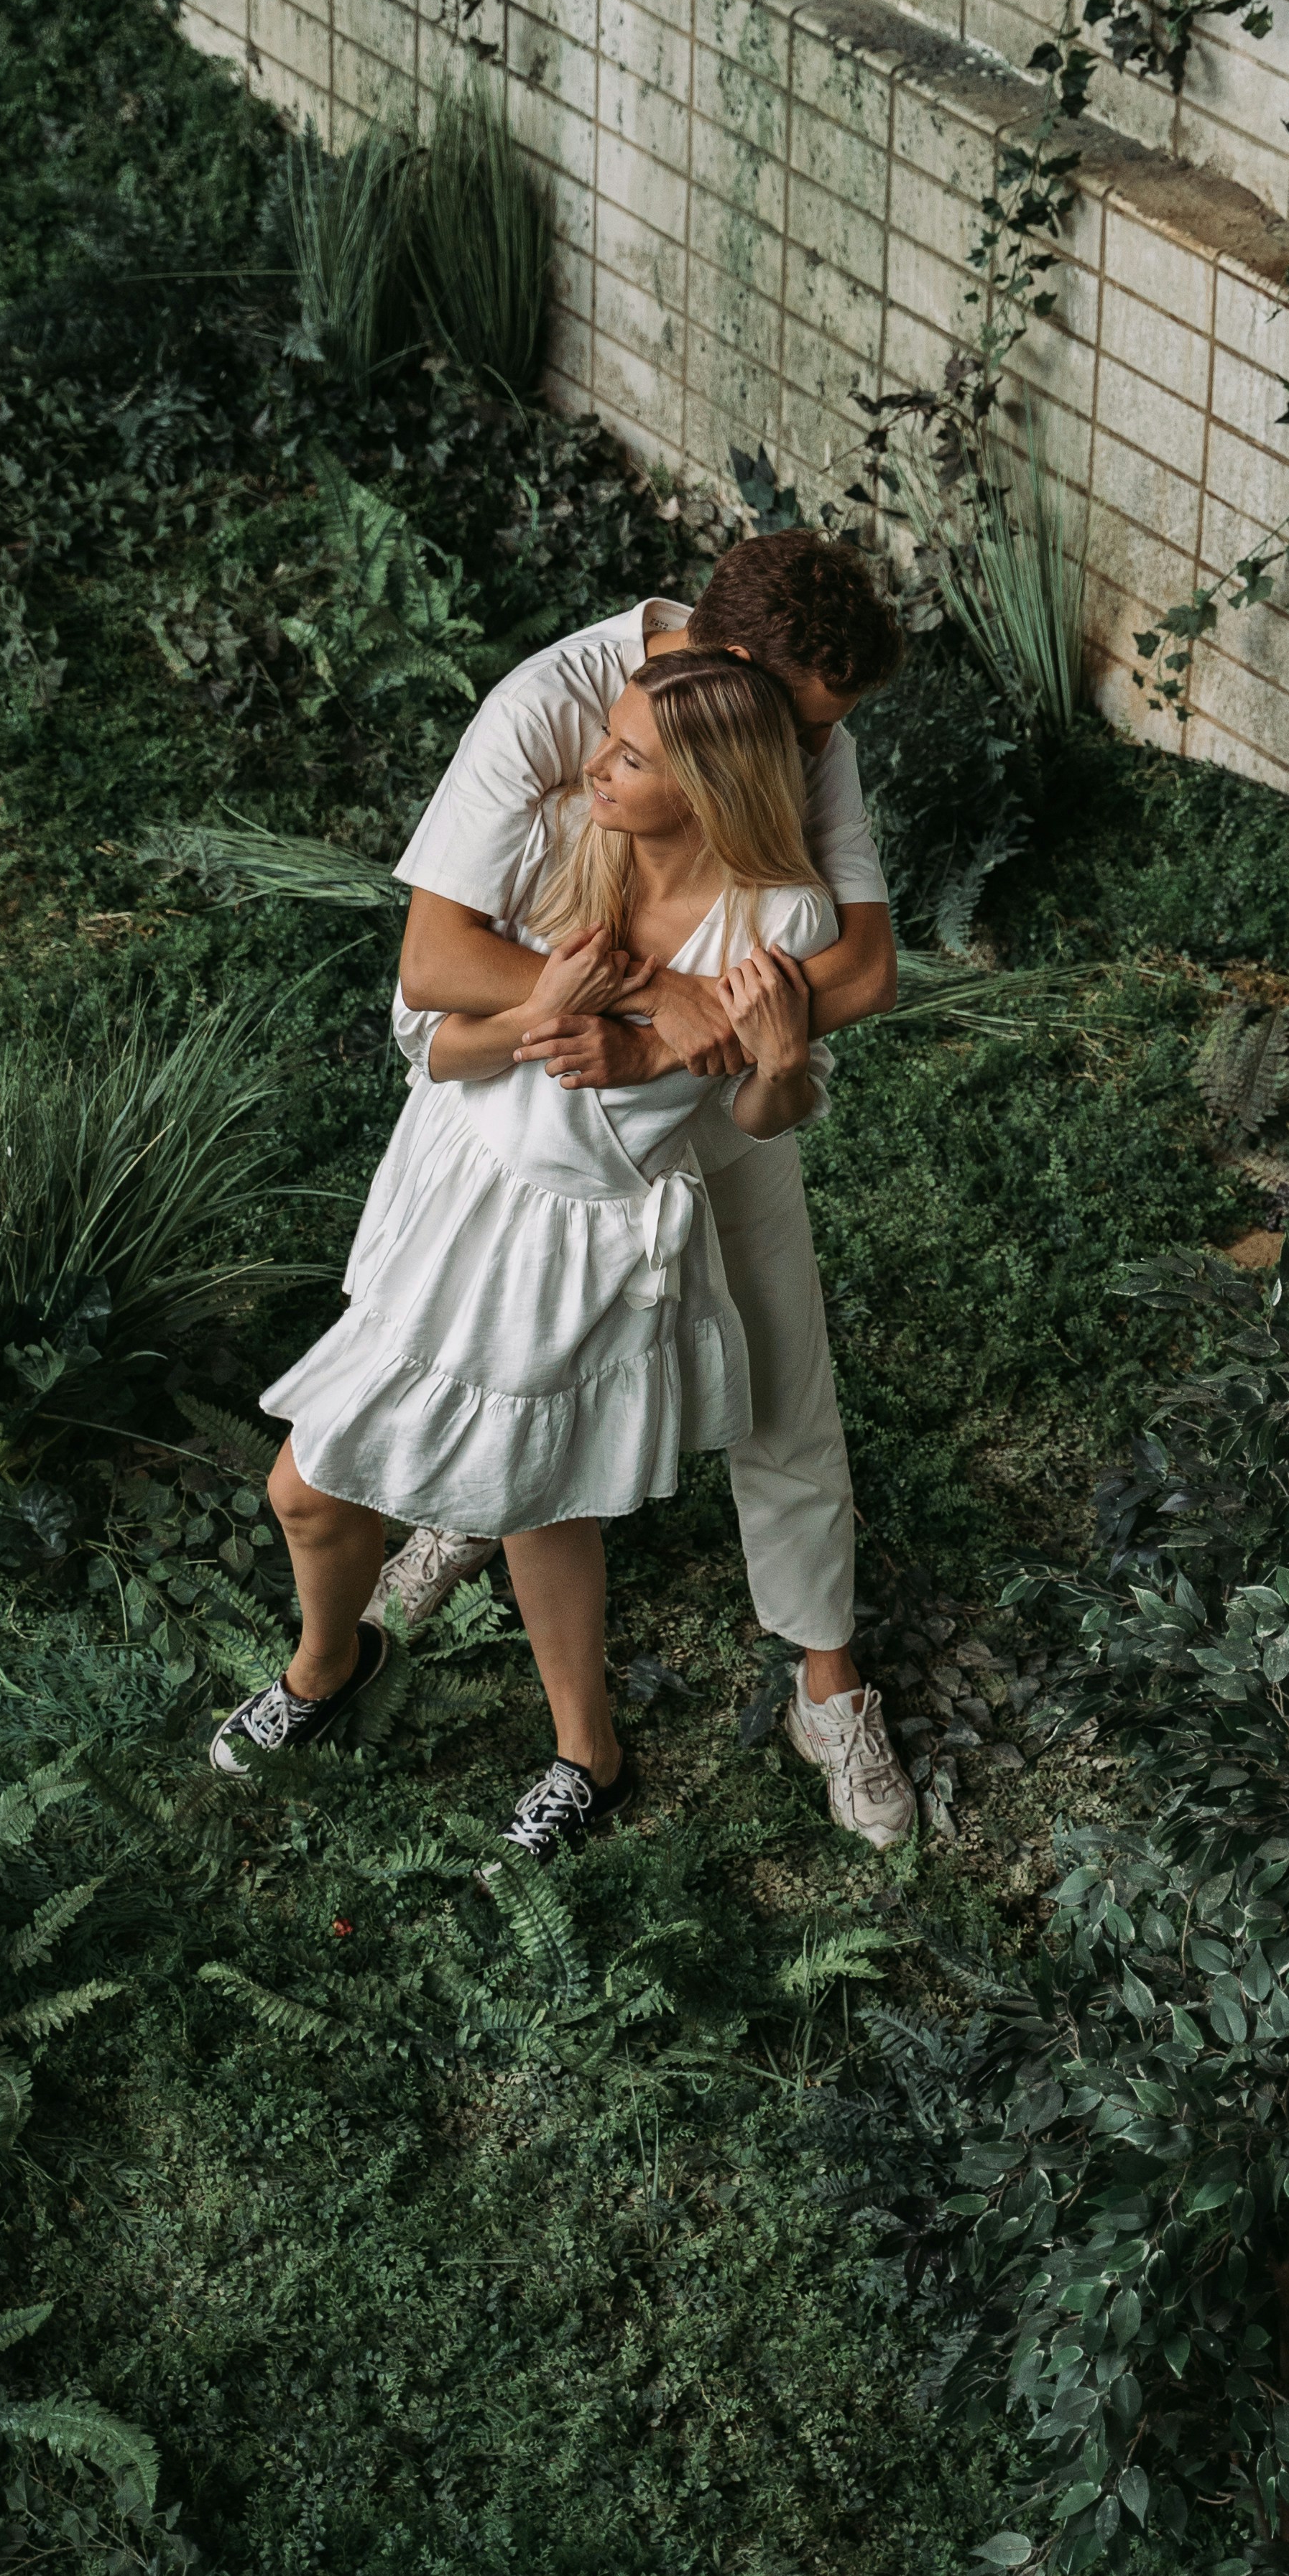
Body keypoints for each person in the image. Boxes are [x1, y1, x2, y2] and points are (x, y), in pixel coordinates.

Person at [218, 655, 837, 1858]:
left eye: (630, 758)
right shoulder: (571, 843)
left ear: (710, 785)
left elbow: (760, 1123)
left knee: (541, 1501)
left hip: (582, 1239)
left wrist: (777, 1063)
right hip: (460, 1194)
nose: (594, 767)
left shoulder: (782, 919)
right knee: (303, 1490)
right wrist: (544, 1012)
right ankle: (327, 1666)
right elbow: (443, 1052)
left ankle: (588, 1755)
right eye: (607, 743)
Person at [392, 527, 916, 1852]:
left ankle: (826, 1677)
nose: (815, 759)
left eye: (823, 735)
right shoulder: (547, 708)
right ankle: (466, 1508)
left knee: (783, 1368)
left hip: (704, 1087)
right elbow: (438, 957)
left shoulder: (805, 730)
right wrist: (647, 1003)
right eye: (806, 728)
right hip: (534, 1085)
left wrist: (676, 1046)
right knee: (482, 1332)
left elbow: (857, 975)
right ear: (725, 674)